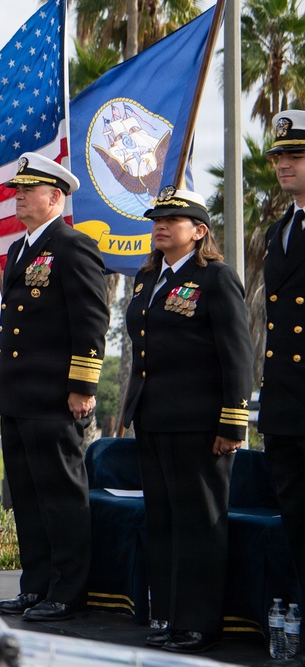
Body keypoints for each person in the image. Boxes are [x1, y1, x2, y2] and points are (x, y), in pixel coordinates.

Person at [122, 187, 253, 654]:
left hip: (200, 424)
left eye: (172, 220)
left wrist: (232, 423)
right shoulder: (147, 278)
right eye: (157, 219)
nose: (160, 226)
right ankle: (170, 615)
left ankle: (198, 623)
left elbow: (237, 354)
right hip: (154, 420)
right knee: (163, 522)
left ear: (198, 232)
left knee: (199, 525)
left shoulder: (214, 278)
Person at [0, 152, 109, 622]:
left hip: (55, 397)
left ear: (54, 197)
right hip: (18, 396)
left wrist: (82, 386)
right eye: (17, 190)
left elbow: (91, 321)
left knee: (61, 498)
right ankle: (35, 586)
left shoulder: (72, 245)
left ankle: (68, 591)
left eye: (27, 190)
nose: (18, 197)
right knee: (27, 498)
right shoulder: (20, 250)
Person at [260, 108, 305, 641]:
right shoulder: (279, 230)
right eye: (278, 157)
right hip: (287, 405)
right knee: (296, 522)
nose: (283, 165)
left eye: (295, 156)